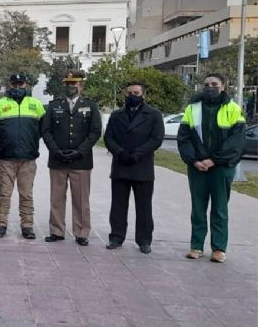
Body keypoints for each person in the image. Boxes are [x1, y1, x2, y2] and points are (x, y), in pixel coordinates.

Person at [177, 73, 246, 263]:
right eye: (207, 84)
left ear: (223, 86)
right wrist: (194, 160)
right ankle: (196, 246)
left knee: (220, 209)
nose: (210, 87)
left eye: (214, 84)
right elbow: (184, 138)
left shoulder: (233, 109)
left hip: (221, 167)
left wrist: (214, 160)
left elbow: (237, 141)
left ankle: (218, 249)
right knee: (198, 208)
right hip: (197, 167)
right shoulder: (192, 108)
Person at [41, 69, 102, 246]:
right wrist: (55, 150)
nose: (70, 86)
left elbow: (95, 131)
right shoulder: (54, 106)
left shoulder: (91, 106)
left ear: (80, 85)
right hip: (58, 159)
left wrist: (80, 151)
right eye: (67, 84)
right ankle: (57, 231)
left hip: (81, 161)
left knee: (81, 200)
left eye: (73, 83)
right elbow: (46, 130)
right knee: (57, 198)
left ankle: (82, 232)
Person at [103, 81, 164, 254]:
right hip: (121, 165)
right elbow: (109, 138)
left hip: (142, 166)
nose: (132, 96)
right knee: (118, 206)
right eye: (129, 93)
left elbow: (156, 139)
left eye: (136, 93)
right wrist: (119, 152)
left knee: (144, 207)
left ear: (143, 95)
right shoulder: (116, 115)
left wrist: (138, 153)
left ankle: (144, 240)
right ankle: (116, 237)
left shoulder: (153, 115)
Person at [0, 74, 45, 239]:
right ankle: (1, 225)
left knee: (26, 194)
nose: (17, 87)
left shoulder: (36, 105)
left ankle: (27, 226)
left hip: (28, 159)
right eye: (14, 84)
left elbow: (42, 129)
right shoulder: (0, 104)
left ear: (26, 85)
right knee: (4, 194)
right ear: (10, 85)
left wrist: (30, 142)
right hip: (6, 159)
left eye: (20, 84)